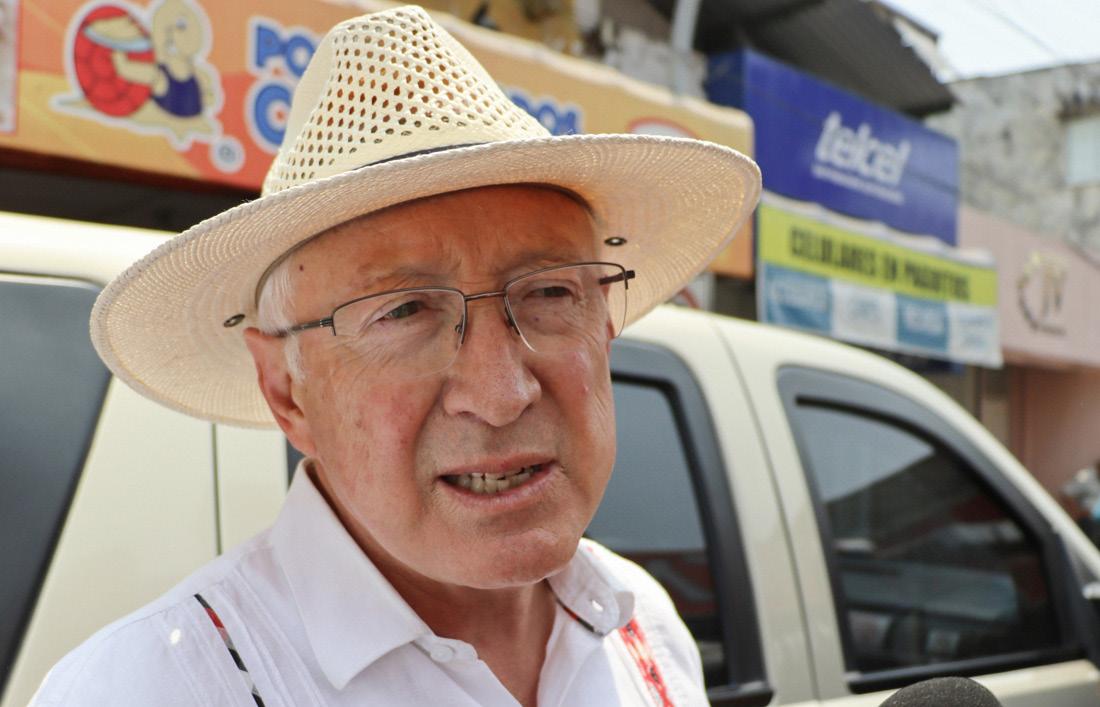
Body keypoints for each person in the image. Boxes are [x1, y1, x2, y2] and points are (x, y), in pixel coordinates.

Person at [33, 6, 760, 706]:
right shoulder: (146, 690)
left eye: (549, 292)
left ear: (605, 325)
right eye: (404, 311)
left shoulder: (644, 625)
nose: (502, 392)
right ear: (287, 390)